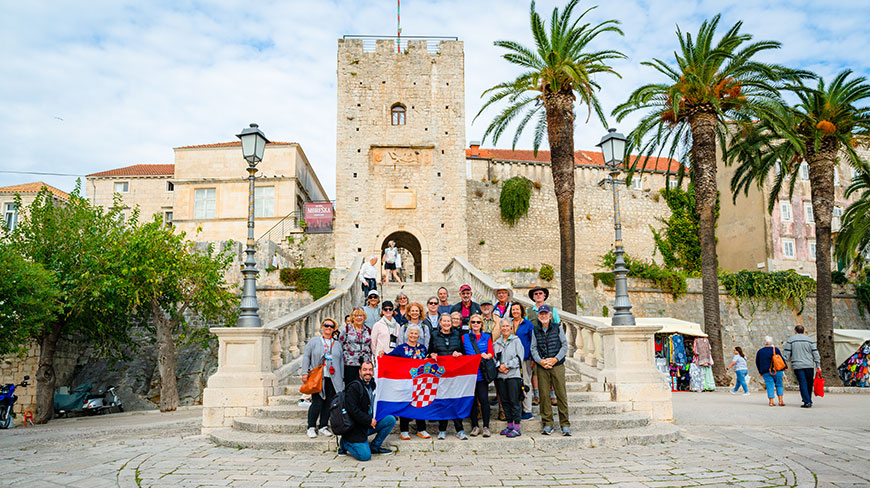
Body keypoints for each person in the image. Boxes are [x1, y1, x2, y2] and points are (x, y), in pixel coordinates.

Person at [339, 361, 396, 460]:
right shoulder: (354, 387)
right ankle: (345, 443)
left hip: (368, 425)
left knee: (390, 419)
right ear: (360, 372)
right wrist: (368, 420)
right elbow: (352, 410)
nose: (367, 372)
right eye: (365, 370)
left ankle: (375, 447)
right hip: (355, 428)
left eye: (370, 370)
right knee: (365, 456)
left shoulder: (373, 384)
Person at [530, 305, 571, 436]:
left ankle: (565, 424)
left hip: (557, 365)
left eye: (545, 314)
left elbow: (564, 345)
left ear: (550, 315)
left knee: (561, 395)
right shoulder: (535, 331)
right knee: (544, 395)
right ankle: (547, 423)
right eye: (541, 314)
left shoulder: (558, 328)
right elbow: (533, 348)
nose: (543, 316)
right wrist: (540, 361)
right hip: (542, 366)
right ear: (538, 316)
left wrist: (555, 359)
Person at [302, 318, 344, 438]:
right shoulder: (314, 341)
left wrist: (341, 377)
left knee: (329, 403)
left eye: (331, 327)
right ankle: (311, 426)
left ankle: (323, 426)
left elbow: (340, 361)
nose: (328, 328)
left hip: (332, 377)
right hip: (318, 376)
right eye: (326, 325)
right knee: (317, 402)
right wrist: (305, 372)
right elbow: (306, 357)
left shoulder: (336, 344)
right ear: (322, 326)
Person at [387, 324, 430, 440]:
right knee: (405, 405)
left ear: (419, 335)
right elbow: (389, 358)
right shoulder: (401, 348)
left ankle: (421, 429)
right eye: (411, 333)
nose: (413, 335)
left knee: (420, 405)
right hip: (405, 382)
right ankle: (404, 430)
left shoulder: (422, 348)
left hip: (419, 382)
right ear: (407, 335)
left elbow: (425, 361)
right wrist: (382, 355)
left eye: (416, 333)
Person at [428, 313, 467, 440]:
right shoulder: (434, 335)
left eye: (448, 321)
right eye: (444, 321)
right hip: (441, 374)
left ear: (452, 322)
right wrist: (432, 354)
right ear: (439, 322)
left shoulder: (457, 334)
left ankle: (460, 430)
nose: (446, 323)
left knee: (455, 401)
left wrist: (459, 353)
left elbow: (464, 352)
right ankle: (442, 429)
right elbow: (429, 351)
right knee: (443, 401)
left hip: (455, 374)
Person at [526, 286, 559, 406]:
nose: (538, 295)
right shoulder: (529, 312)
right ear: (533, 297)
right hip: (535, 344)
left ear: (544, 295)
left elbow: (557, 325)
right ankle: (536, 394)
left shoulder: (552, 309)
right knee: (535, 370)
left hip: (551, 344)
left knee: (551, 368)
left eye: (541, 293)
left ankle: (552, 394)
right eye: (536, 294)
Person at [462, 314, 494, 438]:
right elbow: (462, 353)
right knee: (472, 401)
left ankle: (486, 426)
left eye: (478, 322)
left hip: (482, 373)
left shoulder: (487, 337)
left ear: (482, 324)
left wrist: (487, 356)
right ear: (470, 324)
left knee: (484, 400)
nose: (476, 324)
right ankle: (475, 426)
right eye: (473, 322)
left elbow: (491, 352)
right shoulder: (465, 337)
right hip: (470, 374)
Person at [494, 317, 524, 437]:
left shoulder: (516, 341)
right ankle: (509, 425)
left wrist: (507, 366)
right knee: (505, 401)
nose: (505, 328)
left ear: (511, 328)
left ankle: (517, 426)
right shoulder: (497, 343)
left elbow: (519, 358)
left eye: (507, 326)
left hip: (513, 376)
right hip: (501, 376)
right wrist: (499, 366)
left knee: (514, 401)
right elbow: (494, 358)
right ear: (500, 328)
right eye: (503, 326)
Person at [783, 325, 822, 408]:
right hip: (809, 365)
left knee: (802, 382)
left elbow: (786, 354)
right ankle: (808, 400)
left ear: (795, 331)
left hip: (797, 365)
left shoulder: (791, 340)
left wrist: (784, 365)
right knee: (809, 383)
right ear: (804, 331)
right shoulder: (810, 340)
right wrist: (818, 365)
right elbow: (816, 353)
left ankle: (807, 401)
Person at [508, 302, 535, 420]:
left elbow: (533, 342)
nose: (515, 312)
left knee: (526, 383)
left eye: (517, 310)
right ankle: (517, 409)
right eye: (513, 310)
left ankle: (527, 410)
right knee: (514, 385)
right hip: (511, 359)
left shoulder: (527, 324)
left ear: (521, 311)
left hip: (524, 359)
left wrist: (533, 358)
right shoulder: (508, 324)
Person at [341, 308, 372, 386]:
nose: (359, 318)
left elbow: (370, 345)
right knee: (350, 385)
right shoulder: (346, 329)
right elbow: (340, 344)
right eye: (356, 316)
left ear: (364, 317)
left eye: (361, 315)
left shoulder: (368, 329)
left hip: (364, 363)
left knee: (364, 385)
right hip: (350, 363)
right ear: (352, 317)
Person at [756, 336, 787, 407]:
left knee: (769, 385)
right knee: (779, 384)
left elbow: (757, 362)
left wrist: (760, 372)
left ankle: (771, 402)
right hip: (777, 370)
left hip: (766, 372)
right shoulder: (775, 349)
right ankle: (781, 401)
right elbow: (781, 359)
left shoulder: (760, 351)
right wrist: (785, 367)